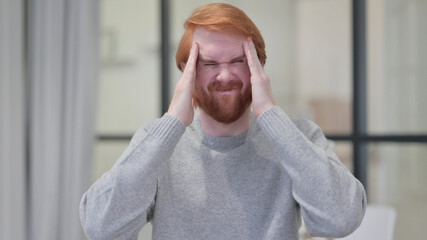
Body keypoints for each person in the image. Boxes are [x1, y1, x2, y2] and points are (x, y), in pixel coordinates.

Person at [80, 3, 366, 240]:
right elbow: (101, 227)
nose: (225, 76)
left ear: (259, 65)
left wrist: (270, 115)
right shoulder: (156, 143)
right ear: (187, 71)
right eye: (209, 64)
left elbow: (341, 219)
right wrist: (172, 123)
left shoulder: (299, 136)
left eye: (239, 61)